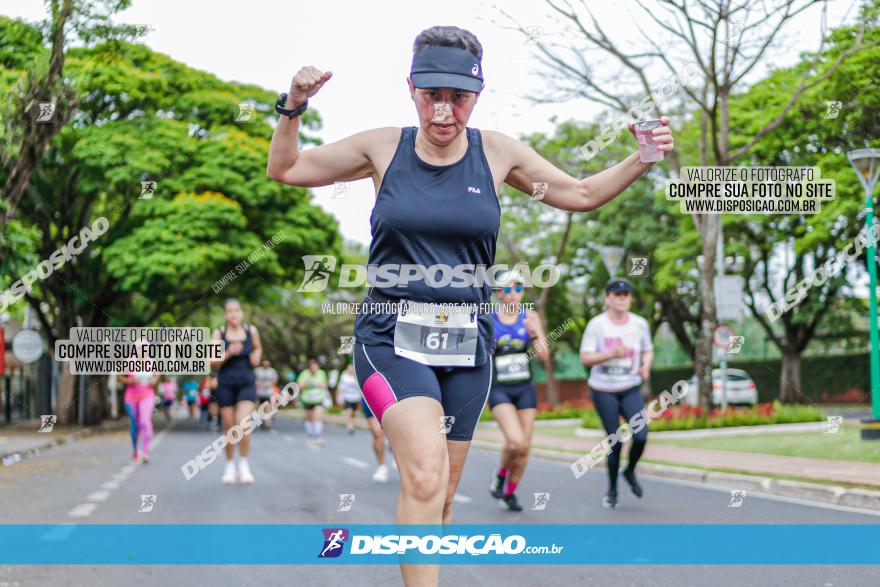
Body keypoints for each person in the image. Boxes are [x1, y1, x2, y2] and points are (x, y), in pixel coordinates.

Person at [266, 25, 674, 586]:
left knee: (445, 497)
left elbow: (578, 194)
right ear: (412, 87)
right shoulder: (382, 147)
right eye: (433, 95)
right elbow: (286, 170)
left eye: (458, 97)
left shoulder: (498, 153)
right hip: (390, 337)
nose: (443, 112)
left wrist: (643, 156)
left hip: (466, 343)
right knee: (426, 478)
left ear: (476, 95)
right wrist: (292, 107)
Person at [579, 278, 654, 509]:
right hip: (603, 389)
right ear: (607, 298)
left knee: (641, 436)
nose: (622, 299)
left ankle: (629, 471)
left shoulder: (639, 324)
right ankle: (612, 490)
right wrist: (609, 354)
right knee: (615, 442)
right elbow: (585, 357)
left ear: (630, 298)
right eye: (617, 294)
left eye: (626, 295)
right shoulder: (597, 325)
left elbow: (648, 349)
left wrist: (646, 366)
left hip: (630, 386)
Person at [487, 269, 550, 511]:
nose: (514, 294)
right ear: (500, 293)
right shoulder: (490, 319)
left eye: (519, 289)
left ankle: (510, 493)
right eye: (509, 289)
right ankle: (501, 476)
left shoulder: (529, 316)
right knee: (514, 442)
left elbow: (544, 357)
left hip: (525, 388)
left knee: (524, 448)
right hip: (500, 388)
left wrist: (537, 332)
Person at [210, 298, 263, 485]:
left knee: (243, 425)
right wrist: (228, 353)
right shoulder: (220, 333)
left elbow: (258, 348)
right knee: (229, 427)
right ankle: (230, 465)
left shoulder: (251, 330)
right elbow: (211, 360)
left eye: (236, 310)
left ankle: (244, 464)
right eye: (229, 311)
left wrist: (256, 356)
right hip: (226, 384)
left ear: (241, 313)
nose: (233, 314)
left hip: (246, 383)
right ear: (225, 314)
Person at [119, 369, 159, 463]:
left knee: (144, 420)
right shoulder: (129, 361)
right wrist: (130, 381)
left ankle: (146, 452)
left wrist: (154, 381)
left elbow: (157, 375)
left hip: (147, 395)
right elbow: (120, 377)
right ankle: (135, 449)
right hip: (131, 397)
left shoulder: (151, 362)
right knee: (135, 424)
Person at [297, 358, 329, 445]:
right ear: (309, 368)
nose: (314, 369)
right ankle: (310, 435)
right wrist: (306, 383)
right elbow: (300, 386)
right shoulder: (304, 374)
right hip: (307, 400)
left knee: (317, 417)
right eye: (312, 367)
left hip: (318, 399)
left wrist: (317, 384)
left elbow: (325, 385)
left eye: (316, 367)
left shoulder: (321, 373)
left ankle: (318, 436)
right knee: (309, 418)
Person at [362, 397, 393, 483]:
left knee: (394, 431)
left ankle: (390, 444)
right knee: (377, 434)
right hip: (369, 393)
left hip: (390, 394)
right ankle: (382, 467)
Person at [336, 363, 362, 434]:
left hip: (356, 398)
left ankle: (352, 423)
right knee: (349, 411)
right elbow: (340, 388)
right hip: (347, 397)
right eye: (349, 368)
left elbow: (360, 388)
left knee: (353, 413)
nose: (351, 370)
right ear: (347, 369)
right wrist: (338, 398)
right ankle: (349, 426)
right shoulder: (344, 377)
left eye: (352, 368)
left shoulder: (357, 377)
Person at [254, 359, 279, 429]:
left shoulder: (272, 371)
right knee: (259, 408)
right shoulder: (257, 371)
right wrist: (256, 383)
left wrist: (270, 384)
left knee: (268, 407)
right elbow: (253, 379)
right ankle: (262, 420)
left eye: (267, 362)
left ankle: (268, 423)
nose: (266, 364)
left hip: (269, 393)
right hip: (259, 393)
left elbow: (275, 380)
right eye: (264, 362)